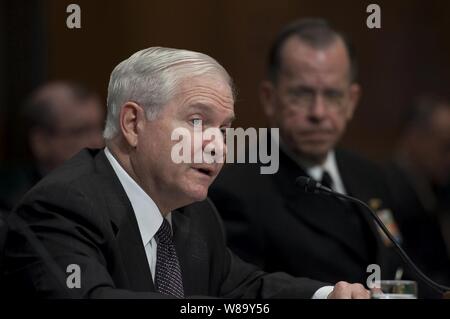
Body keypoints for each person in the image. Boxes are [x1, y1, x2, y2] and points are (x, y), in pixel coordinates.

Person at [2, 47, 368, 299]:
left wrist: (327, 294)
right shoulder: (64, 205)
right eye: (197, 121)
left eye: (224, 129)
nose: (218, 146)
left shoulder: (194, 212)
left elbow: (243, 287)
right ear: (133, 123)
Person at [210, 18, 401, 286]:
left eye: (333, 95)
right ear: (269, 99)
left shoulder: (372, 175)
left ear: (351, 101)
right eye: (301, 94)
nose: (318, 113)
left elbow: (410, 269)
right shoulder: (237, 191)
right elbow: (248, 293)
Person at [0, 81, 105, 213]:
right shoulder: (14, 205)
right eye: (81, 131)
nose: (99, 142)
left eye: (102, 127)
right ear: (41, 142)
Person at [384, 94, 450, 297]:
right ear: (415, 136)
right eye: (446, 146)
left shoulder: (437, 187)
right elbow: (397, 261)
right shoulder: (384, 188)